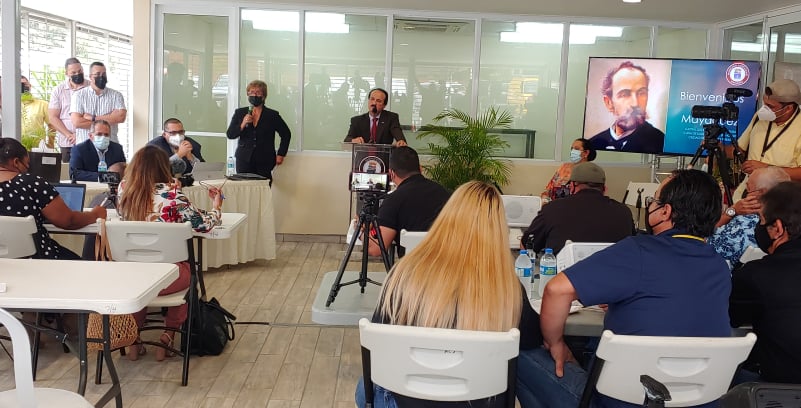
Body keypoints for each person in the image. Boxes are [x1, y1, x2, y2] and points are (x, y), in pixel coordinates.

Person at [518, 169, 730, 408]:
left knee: (519, 351)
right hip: (695, 402)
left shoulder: (639, 251)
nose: (650, 206)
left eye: (653, 201)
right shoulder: (720, 267)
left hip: (621, 401)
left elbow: (557, 290)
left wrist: (556, 344)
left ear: (665, 211)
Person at [355, 181, 542, 408]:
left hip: (408, 401)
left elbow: (380, 341)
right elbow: (533, 339)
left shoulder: (403, 274)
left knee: (364, 386)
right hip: (479, 402)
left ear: (447, 217)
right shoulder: (509, 289)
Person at [117, 145, 222, 361]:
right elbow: (203, 225)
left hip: (131, 278)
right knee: (188, 273)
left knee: (140, 286)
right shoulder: (173, 194)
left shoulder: (123, 190)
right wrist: (216, 206)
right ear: (164, 167)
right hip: (168, 279)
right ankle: (168, 335)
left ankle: (134, 338)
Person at [730, 181, 801, 384]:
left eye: (761, 220)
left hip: (779, 388)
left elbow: (732, 318)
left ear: (777, 228)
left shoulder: (755, 274)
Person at [0, 137, 106, 259]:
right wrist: (95, 214)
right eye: (27, 164)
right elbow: (68, 221)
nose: (27, 169)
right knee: (84, 265)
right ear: (16, 162)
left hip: (5, 265)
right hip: (38, 260)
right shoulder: (31, 183)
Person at [521, 162, 634, 254]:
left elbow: (527, 246)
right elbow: (633, 246)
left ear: (572, 186)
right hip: (615, 274)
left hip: (564, 274)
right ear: (604, 189)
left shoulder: (552, 209)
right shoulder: (624, 212)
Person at [366, 146, 450, 258]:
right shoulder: (445, 193)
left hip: (411, 265)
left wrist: (362, 231)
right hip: (447, 263)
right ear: (420, 169)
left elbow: (376, 249)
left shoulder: (392, 200)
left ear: (391, 174)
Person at [708, 166, 789, 267]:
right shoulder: (792, 224)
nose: (745, 194)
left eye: (748, 190)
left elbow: (701, 243)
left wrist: (731, 212)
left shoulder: (742, 225)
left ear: (761, 193)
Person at [733, 79, 801, 199]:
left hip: (781, 199)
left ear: (788, 108)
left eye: (770, 106)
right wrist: (720, 147)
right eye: (764, 104)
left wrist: (766, 169)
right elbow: (740, 149)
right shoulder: (760, 117)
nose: (765, 109)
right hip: (747, 193)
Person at [588, 61, 665, 154]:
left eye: (641, 93)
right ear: (609, 103)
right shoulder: (592, 145)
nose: (635, 103)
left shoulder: (661, 143)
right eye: (625, 94)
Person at [226, 80, 291, 179]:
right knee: (244, 186)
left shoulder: (272, 115)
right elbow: (230, 134)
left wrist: (281, 154)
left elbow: (286, 134)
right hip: (244, 159)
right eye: (251, 92)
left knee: (263, 186)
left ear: (263, 96)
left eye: (258, 92)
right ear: (248, 94)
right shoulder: (240, 113)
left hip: (265, 159)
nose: (254, 95)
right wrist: (242, 124)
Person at [69, 61, 127, 144]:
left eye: (104, 74)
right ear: (90, 77)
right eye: (97, 74)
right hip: (86, 146)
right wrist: (110, 118)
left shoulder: (116, 95)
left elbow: (121, 117)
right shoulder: (78, 95)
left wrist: (93, 118)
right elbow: (77, 122)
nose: (101, 77)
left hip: (110, 145)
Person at [49, 57, 89, 161]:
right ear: (66, 73)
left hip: (88, 140)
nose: (77, 74)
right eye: (73, 72)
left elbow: (97, 115)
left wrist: (80, 135)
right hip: (67, 142)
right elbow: (53, 117)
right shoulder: (58, 90)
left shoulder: (92, 87)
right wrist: (69, 135)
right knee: (68, 170)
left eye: (80, 71)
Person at [20, 75, 56, 148]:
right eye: (20, 85)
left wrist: (50, 145)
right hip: (15, 147)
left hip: (37, 149)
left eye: (25, 84)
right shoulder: (11, 106)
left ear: (30, 86)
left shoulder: (43, 104)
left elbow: (52, 125)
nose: (23, 87)